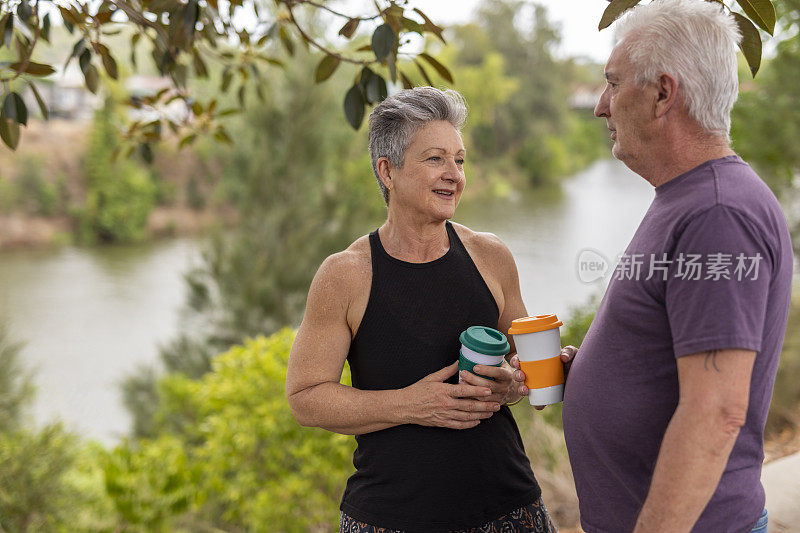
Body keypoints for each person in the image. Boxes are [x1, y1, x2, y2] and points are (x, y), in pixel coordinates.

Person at [515, 1, 792, 531]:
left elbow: (715, 414)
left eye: (613, 84)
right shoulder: (688, 198)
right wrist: (598, 371)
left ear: (664, 93)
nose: (600, 106)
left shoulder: (717, 213)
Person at [286, 87, 557, 532]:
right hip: (390, 519)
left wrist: (514, 383)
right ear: (387, 171)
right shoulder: (346, 274)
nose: (454, 174)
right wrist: (412, 405)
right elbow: (306, 399)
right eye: (435, 159)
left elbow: (525, 361)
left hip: (511, 509)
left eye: (460, 160)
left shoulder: (491, 255)